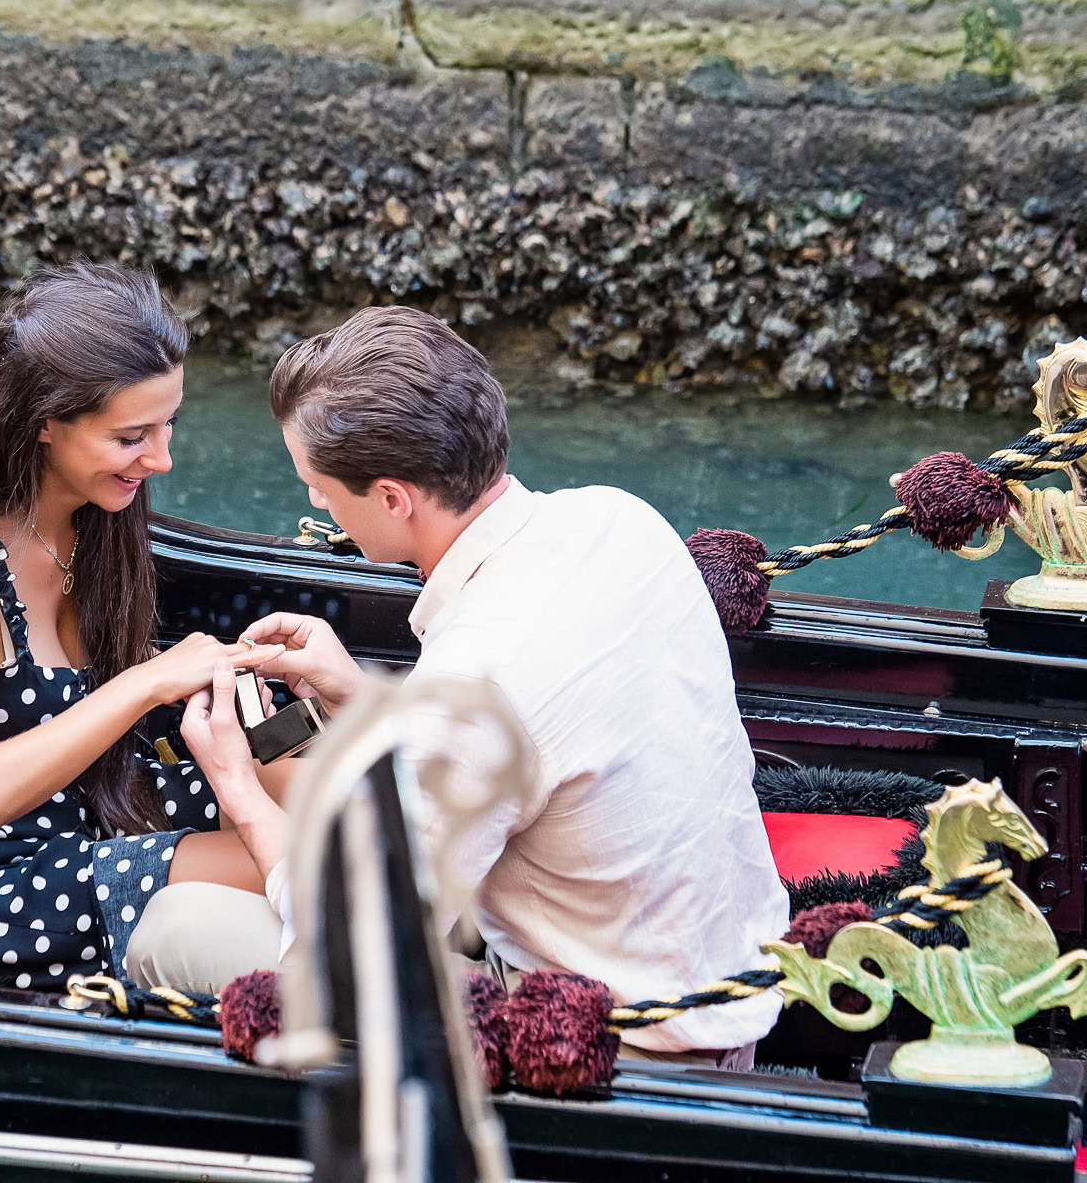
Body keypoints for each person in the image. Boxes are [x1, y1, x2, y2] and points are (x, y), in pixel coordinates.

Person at [177, 306, 790, 1065]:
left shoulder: (478, 677)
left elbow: (344, 947)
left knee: (178, 925)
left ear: (394, 498)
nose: (314, 504)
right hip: (737, 977)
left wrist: (236, 783)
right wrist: (361, 696)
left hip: (619, 1045)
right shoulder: (618, 518)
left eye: (319, 486)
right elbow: (534, 737)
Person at [0, 262, 287, 993]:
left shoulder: (91, 518)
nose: (161, 459)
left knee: (308, 791)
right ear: (43, 421)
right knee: (293, 859)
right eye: (133, 436)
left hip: (63, 820)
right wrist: (143, 683)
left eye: (169, 424)